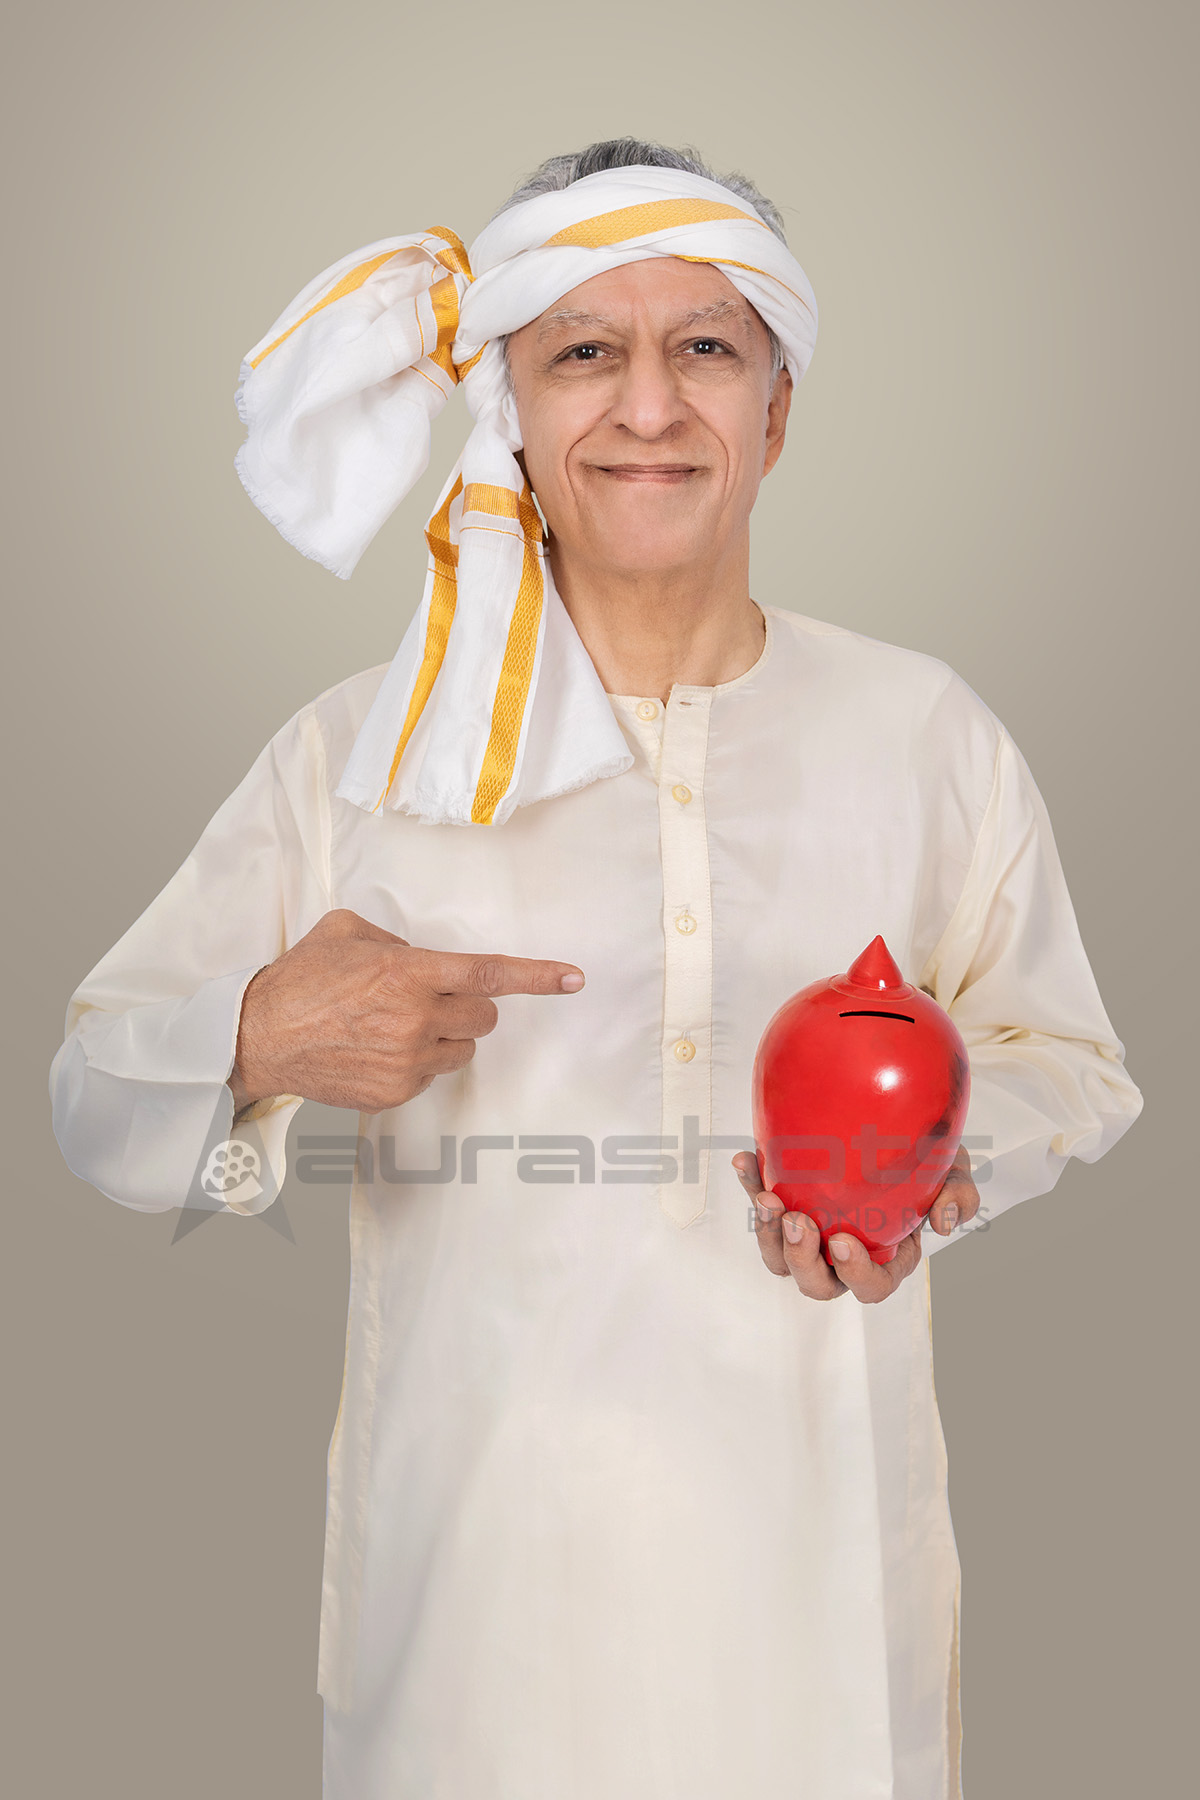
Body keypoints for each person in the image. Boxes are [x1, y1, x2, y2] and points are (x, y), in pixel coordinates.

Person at [48, 138, 1143, 1800]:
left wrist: (934, 1163)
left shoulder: (923, 732)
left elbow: (1073, 1057)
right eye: (583, 352)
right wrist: (261, 1034)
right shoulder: (360, 754)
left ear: (778, 409)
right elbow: (94, 1098)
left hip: (820, 1643)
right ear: (508, 412)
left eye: (705, 346)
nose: (648, 406)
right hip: (470, 1644)